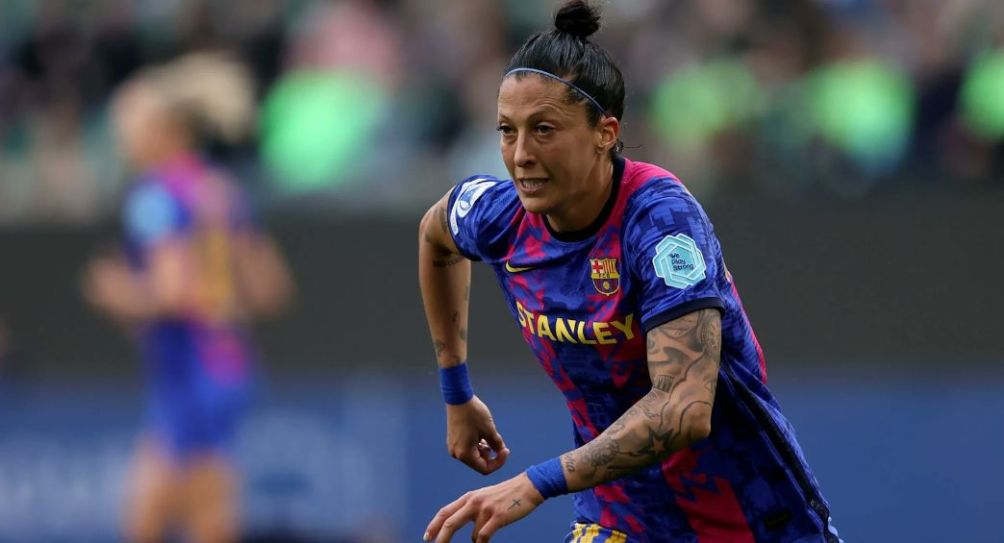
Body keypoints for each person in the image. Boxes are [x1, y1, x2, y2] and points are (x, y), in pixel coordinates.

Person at [417, 2, 841, 542]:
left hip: (749, 520)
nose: (520, 154)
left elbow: (684, 408)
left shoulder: (661, 222)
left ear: (604, 132)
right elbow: (436, 237)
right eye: (507, 130)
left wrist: (537, 482)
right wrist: (456, 391)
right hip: (621, 523)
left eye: (543, 129)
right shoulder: (500, 215)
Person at [83, 53, 294, 543]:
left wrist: (116, 293)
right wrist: (220, 309)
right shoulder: (220, 189)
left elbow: (173, 292)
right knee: (193, 520)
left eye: (128, 125)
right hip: (226, 367)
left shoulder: (154, 196)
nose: (122, 139)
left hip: (188, 377)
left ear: (164, 131)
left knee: (166, 523)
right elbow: (270, 291)